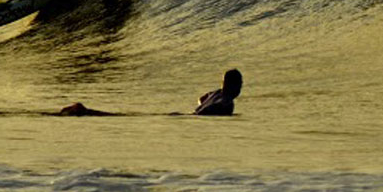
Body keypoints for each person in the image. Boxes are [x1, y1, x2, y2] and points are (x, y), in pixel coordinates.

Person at [54, 69, 244, 117]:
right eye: (240, 83)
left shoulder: (216, 92)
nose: (241, 87)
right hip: (189, 117)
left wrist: (200, 110)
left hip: (187, 114)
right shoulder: (227, 102)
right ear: (232, 84)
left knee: (121, 116)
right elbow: (212, 108)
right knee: (121, 117)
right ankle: (84, 111)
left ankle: (85, 111)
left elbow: (202, 99)